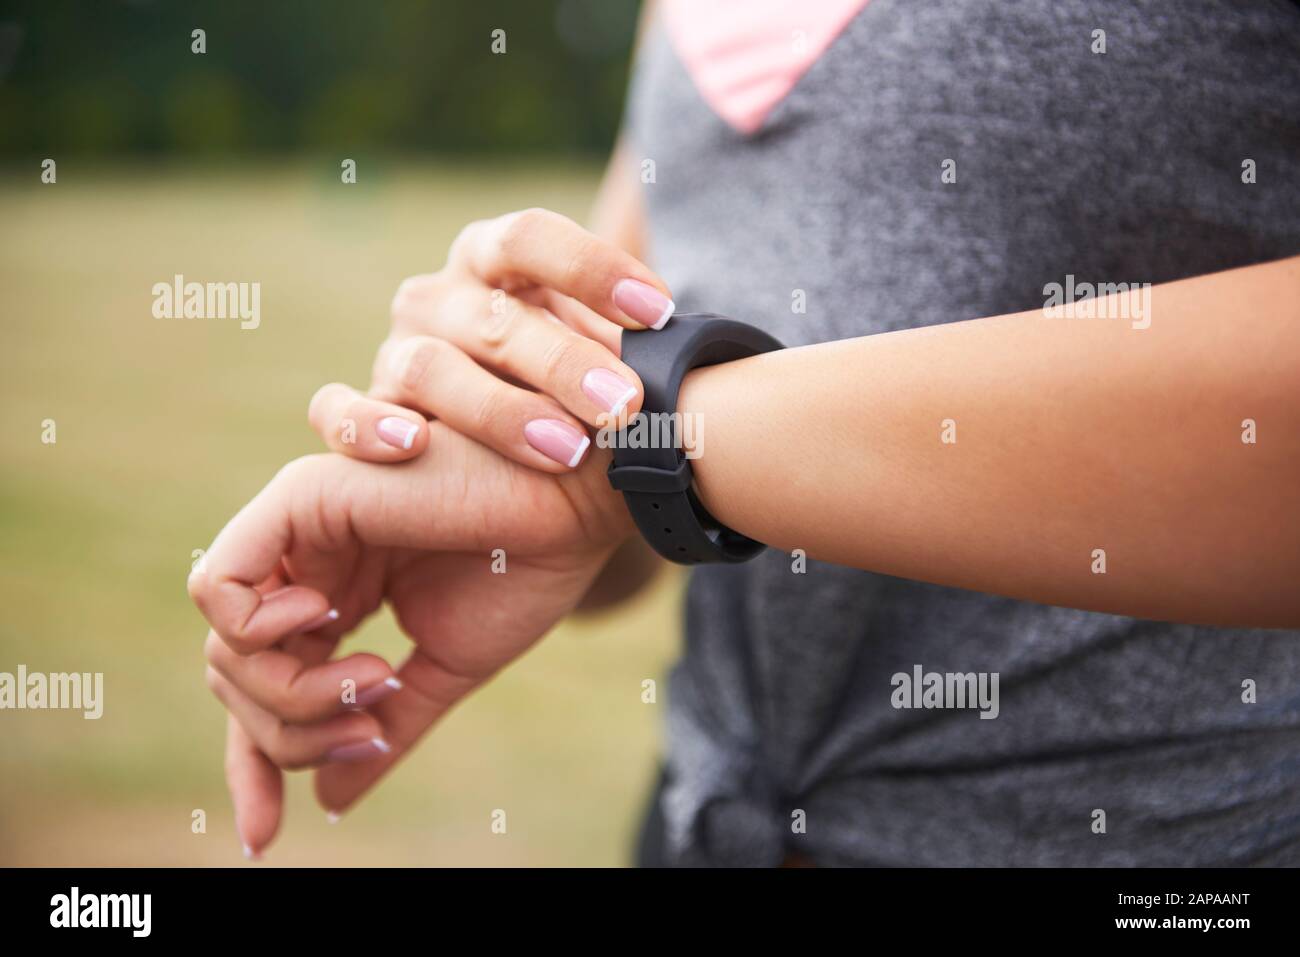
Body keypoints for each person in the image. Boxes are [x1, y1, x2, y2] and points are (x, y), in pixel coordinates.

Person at [190, 0, 1300, 865]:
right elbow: (628, 448)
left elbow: (662, 441)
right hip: (705, 830)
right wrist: (519, 448)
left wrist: (658, 439)